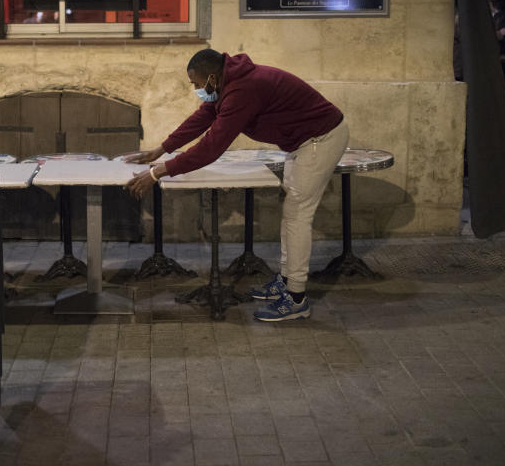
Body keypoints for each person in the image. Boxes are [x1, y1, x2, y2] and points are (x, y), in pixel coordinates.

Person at [124, 49, 348, 322]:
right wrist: (162, 148)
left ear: (212, 78)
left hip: (320, 140)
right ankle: (287, 281)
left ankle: (296, 298)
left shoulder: (244, 90)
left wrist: (159, 172)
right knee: (291, 216)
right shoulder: (229, 84)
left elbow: (212, 146)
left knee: (298, 216)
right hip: (304, 142)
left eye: (196, 84)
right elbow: (203, 118)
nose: (195, 89)